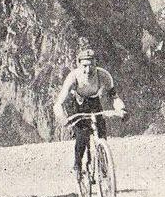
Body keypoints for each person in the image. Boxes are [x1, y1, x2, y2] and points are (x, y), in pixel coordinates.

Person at [53, 49, 126, 180]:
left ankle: (103, 165)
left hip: (94, 101)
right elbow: (58, 103)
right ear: (78, 64)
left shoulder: (104, 75)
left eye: (91, 64)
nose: (88, 69)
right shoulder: (73, 77)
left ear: (96, 63)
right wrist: (63, 119)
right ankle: (77, 165)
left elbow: (114, 97)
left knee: (102, 134)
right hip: (77, 104)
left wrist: (122, 109)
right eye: (84, 65)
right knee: (82, 135)